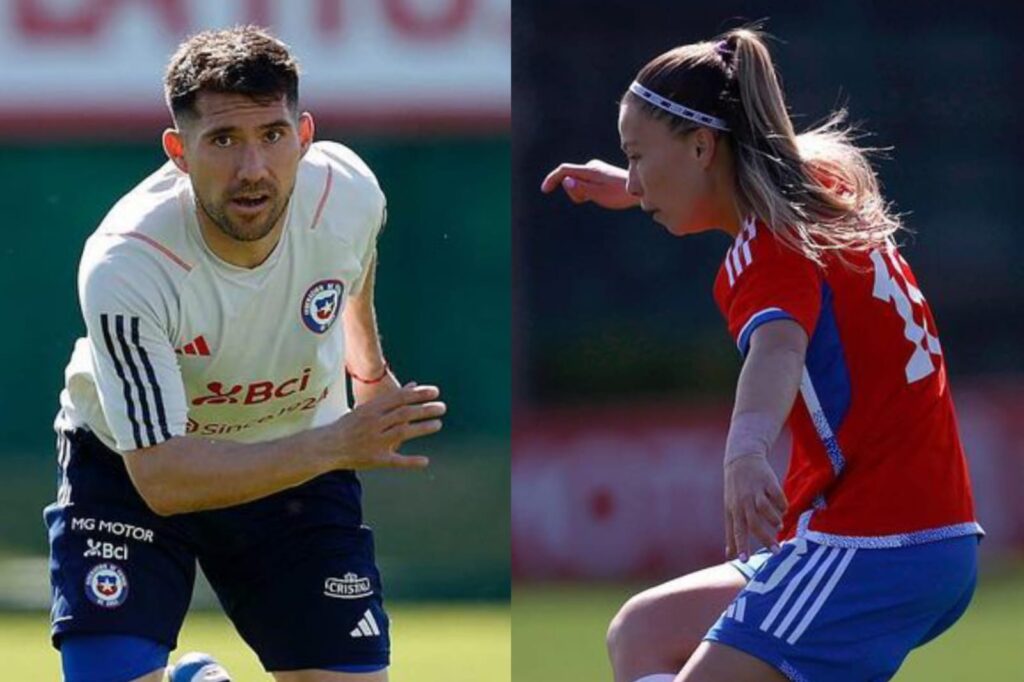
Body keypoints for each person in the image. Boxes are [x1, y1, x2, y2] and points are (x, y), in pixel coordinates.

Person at [542, 26, 982, 682]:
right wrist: (634, 184)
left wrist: (746, 451)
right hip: (914, 537)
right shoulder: (818, 186)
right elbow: (760, 158)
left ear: (701, 146)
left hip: (875, 540)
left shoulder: (767, 248)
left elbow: (777, 347)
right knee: (644, 632)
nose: (633, 176)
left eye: (637, 156)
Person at [44, 26, 446, 682]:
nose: (253, 169)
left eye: (272, 136)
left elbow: (352, 267)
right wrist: (341, 444)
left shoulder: (348, 191)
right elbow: (165, 478)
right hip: (132, 469)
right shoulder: (128, 265)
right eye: (224, 141)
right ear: (179, 150)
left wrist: (367, 372)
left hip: (295, 461)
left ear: (304, 134)